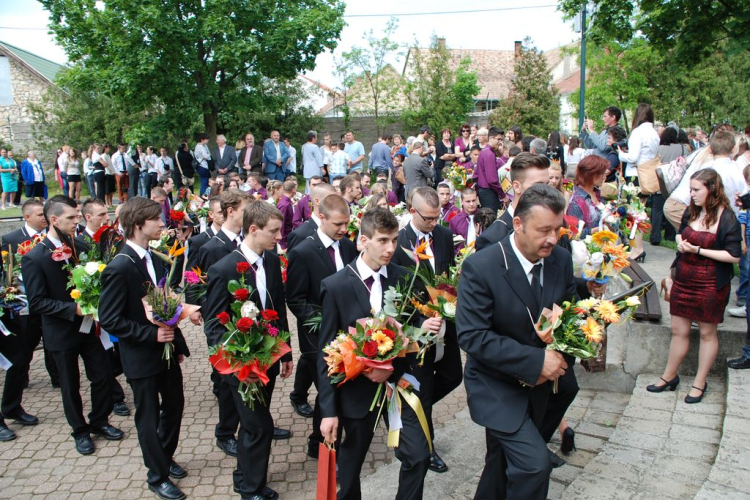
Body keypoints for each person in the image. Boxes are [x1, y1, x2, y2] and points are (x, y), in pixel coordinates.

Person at [457, 184, 574, 500]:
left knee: (499, 466)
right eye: (544, 230)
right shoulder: (482, 266)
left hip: (539, 388)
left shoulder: (561, 260)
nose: (552, 238)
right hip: (496, 386)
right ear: (518, 224)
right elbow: (472, 335)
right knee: (535, 466)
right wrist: (537, 361)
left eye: (557, 229)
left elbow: (570, 308)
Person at [317, 207, 441, 500]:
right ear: (362, 241)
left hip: (400, 387)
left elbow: (413, 329)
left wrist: (426, 325)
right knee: (351, 463)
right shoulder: (335, 286)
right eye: (383, 240)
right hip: (357, 393)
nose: (390, 249)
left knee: (418, 455)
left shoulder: (404, 278)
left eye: (395, 240)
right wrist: (328, 411)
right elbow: (326, 353)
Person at [98, 197, 192, 500]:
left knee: (175, 406)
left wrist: (175, 342)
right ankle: (157, 475)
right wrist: (151, 337)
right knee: (148, 415)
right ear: (139, 225)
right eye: (156, 220)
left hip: (165, 351)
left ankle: (164, 456)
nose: (162, 224)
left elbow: (162, 302)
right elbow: (110, 319)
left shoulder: (154, 256)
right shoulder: (119, 266)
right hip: (141, 355)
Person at [203, 201, 293, 500]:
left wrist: (286, 350)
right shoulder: (223, 268)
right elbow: (214, 326)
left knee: (255, 424)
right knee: (258, 427)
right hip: (240, 366)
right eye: (274, 231)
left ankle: (244, 477)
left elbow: (276, 308)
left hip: (266, 357)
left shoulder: (269, 260)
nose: (279, 237)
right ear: (253, 230)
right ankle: (250, 488)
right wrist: (239, 364)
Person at [22, 195, 123, 455]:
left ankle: (100, 421)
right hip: (61, 331)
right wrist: (73, 308)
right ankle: (79, 430)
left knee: (102, 375)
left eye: (77, 215)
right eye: (71, 217)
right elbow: (37, 302)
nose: (77, 220)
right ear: (53, 220)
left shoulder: (79, 244)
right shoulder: (35, 256)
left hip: (88, 327)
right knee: (70, 385)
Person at [647, 169, 741, 403]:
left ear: (712, 190)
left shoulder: (727, 217)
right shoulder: (691, 210)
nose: (692, 194)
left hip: (711, 285)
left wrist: (698, 250)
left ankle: (700, 382)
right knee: (679, 330)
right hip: (684, 280)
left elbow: (734, 256)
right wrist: (680, 243)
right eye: (691, 189)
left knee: (708, 333)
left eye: (696, 189)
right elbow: (680, 234)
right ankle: (669, 376)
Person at [391, 187, 461, 473]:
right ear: (412, 211)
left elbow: (448, 274)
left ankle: (413, 414)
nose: (434, 223)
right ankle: (425, 446)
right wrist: (419, 322)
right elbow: (394, 292)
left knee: (453, 377)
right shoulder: (397, 243)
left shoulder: (443, 236)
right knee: (422, 390)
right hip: (416, 331)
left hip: (445, 326)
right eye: (429, 218)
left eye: (438, 217)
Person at [286, 194, 357, 455]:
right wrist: (321, 322)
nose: (343, 229)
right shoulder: (303, 251)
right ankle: (321, 444)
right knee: (328, 389)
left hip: (347, 334)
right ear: (322, 218)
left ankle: (327, 439)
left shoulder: (348, 246)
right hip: (318, 336)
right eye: (338, 224)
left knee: (341, 388)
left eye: (346, 223)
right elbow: (295, 298)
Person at [476, 153, 552, 251]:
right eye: (538, 185)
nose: (546, 191)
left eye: (547, 184)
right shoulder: (493, 238)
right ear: (517, 187)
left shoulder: (553, 227)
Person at [566, 156, 609, 238]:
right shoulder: (576, 201)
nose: (604, 177)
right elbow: (573, 233)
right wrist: (595, 230)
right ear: (590, 174)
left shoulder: (597, 193)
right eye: (601, 174)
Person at [287, 183, 336, 252]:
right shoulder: (300, 235)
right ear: (317, 201)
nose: (336, 203)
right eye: (331, 199)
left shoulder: (338, 229)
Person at [618, 103, 660, 180]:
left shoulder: (637, 132)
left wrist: (621, 154)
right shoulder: (655, 133)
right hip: (650, 174)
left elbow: (633, 158)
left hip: (636, 174)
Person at [475, 128, 504, 213]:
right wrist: (502, 194)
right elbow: (492, 180)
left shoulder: (484, 151)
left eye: (501, 140)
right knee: (491, 219)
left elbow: (476, 174)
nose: (500, 142)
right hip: (488, 192)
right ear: (491, 138)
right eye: (498, 139)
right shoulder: (489, 154)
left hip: (483, 191)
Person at [449, 187, 480, 252]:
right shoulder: (455, 220)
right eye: (468, 201)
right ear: (462, 201)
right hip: (461, 257)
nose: (471, 204)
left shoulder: (484, 216)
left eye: (473, 200)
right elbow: (451, 242)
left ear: (477, 199)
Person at [277, 180, 296, 250]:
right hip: (284, 241)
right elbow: (281, 224)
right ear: (293, 190)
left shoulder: (287, 203)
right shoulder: (284, 205)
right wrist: (283, 244)